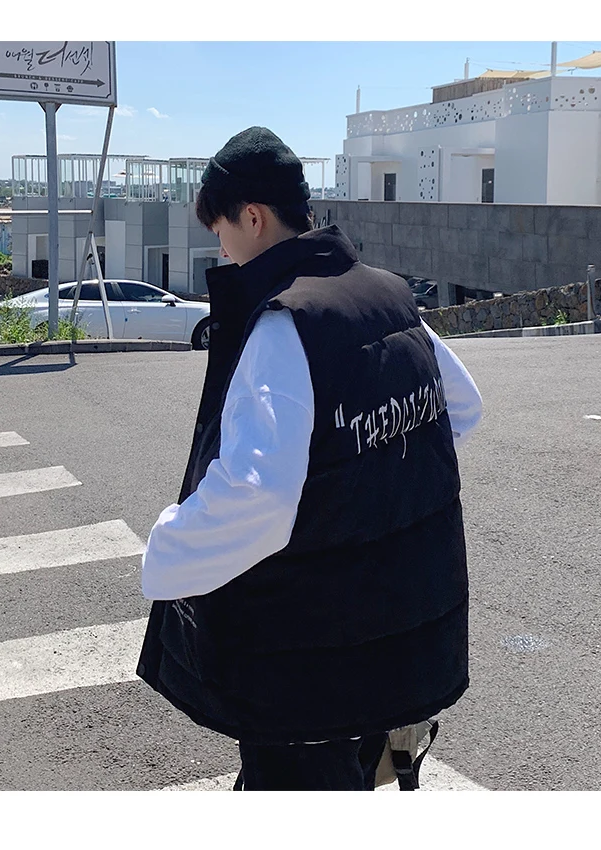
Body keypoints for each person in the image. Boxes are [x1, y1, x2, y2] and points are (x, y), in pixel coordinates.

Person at [136, 127, 483, 791]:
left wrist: (167, 550)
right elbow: (460, 409)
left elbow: (258, 496)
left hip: (307, 657)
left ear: (253, 217)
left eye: (220, 230)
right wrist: (362, 490)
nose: (222, 249)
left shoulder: (284, 321)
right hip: (391, 631)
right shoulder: (389, 294)